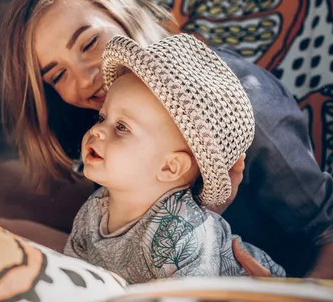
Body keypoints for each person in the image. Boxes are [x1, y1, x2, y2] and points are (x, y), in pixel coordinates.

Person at [0, 0, 333, 279]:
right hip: (147, 230)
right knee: (8, 183)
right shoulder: (100, 108)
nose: (85, 79)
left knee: (6, 234)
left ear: (122, 14)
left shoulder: (239, 99)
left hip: (228, 265)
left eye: (88, 44)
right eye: (57, 75)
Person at [64, 34, 285, 284]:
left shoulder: (182, 232)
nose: (97, 130)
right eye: (102, 118)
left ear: (170, 167)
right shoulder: (94, 210)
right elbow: (73, 275)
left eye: (122, 127)